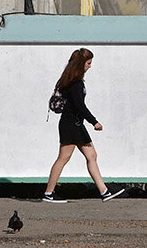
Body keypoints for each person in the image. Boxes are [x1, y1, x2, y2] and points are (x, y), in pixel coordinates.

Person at [43, 48, 124, 203]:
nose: (90, 66)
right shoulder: (76, 83)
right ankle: (49, 193)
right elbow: (80, 106)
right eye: (88, 63)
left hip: (74, 124)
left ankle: (104, 191)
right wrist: (94, 122)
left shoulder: (69, 81)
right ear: (81, 64)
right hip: (72, 125)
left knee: (91, 156)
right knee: (64, 158)